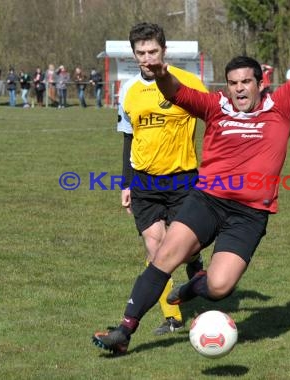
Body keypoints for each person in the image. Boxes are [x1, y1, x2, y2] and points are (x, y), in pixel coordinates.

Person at [92, 10, 290, 355]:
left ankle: (192, 287)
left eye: (246, 81)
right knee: (164, 254)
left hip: (249, 214)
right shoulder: (216, 106)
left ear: (260, 83)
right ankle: (123, 331)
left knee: (219, 286)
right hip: (207, 201)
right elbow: (180, 94)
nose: (239, 88)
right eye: (233, 82)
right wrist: (160, 74)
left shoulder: (282, 106)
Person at [109, 22, 208, 337]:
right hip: (144, 184)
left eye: (153, 51)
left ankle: (195, 266)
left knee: (185, 249)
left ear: (163, 51)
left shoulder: (189, 83)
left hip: (182, 181)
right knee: (157, 252)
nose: (147, 58)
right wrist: (125, 183)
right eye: (141, 52)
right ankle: (174, 318)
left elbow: (216, 121)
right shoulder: (129, 90)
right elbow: (128, 137)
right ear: (134, 54)